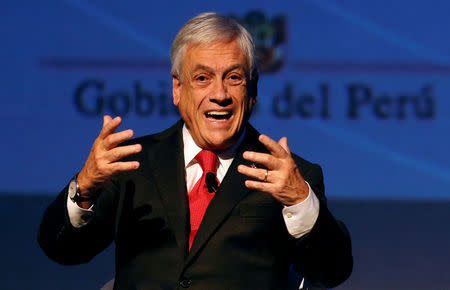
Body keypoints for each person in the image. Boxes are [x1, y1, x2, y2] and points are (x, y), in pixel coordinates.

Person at [38, 12, 352, 290]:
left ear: (252, 91)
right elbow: (63, 250)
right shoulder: (132, 164)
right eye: (202, 78)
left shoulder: (289, 175)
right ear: (177, 89)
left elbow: (331, 272)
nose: (220, 94)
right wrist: (85, 187)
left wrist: (299, 199)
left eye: (234, 78)